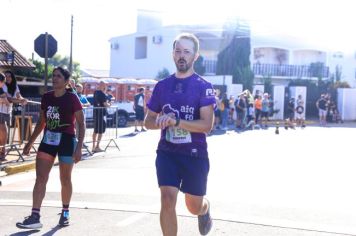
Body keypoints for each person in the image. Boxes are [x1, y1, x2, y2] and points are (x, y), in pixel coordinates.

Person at [144, 33, 215, 236]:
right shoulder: (162, 86)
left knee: (193, 206)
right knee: (167, 199)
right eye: (178, 51)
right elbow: (147, 121)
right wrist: (159, 122)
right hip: (167, 152)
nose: (181, 55)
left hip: (194, 154)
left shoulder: (204, 87)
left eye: (186, 51)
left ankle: (205, 209)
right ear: (173, 55)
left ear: (195, 56)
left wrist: (176, 121)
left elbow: (206, 125)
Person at [16, 66, 85, 229]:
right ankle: (35, 216)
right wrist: (30, 142)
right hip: (48, 140)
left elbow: (81, 124)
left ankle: (65, 212)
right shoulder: (46, 97)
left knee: (65, 179)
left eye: (58, 76)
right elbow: (41, 122)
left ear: (67, 81)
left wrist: (79, 147)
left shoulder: (72, 98)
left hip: (67, 140)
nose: (54, 79)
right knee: (41, 177)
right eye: (53, 76)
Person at [0, 71, 27, 160]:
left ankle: (2, 151)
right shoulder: (2, 85)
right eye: (6, 76)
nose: (7, 78)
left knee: (4, 132)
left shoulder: (15, 86)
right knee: (3, 130)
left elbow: (19, 96)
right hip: (0, 110)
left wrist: (23, 99)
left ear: (12, 78)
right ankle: (2, 151)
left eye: (9, 76)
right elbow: (8, 98)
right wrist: (19, 101)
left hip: (8, 112)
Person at [92, 81, 111, 152]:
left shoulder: (95, 92)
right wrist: (109, 104)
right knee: (100, 131)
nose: (105, 86)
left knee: (95, 130)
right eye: (105, 85)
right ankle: (97, 146)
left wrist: (104, 91)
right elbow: (105, 104)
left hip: (96, 113)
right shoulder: (102, 94)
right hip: (102, 114)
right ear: (103, 86)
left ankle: (93, 146)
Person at [0, 73, 11, 161]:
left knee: (3, 129)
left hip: (1, 113)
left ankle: (3, 151)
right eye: (3, 82)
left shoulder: (1, 90)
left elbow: (6, 100)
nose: (3, 84)